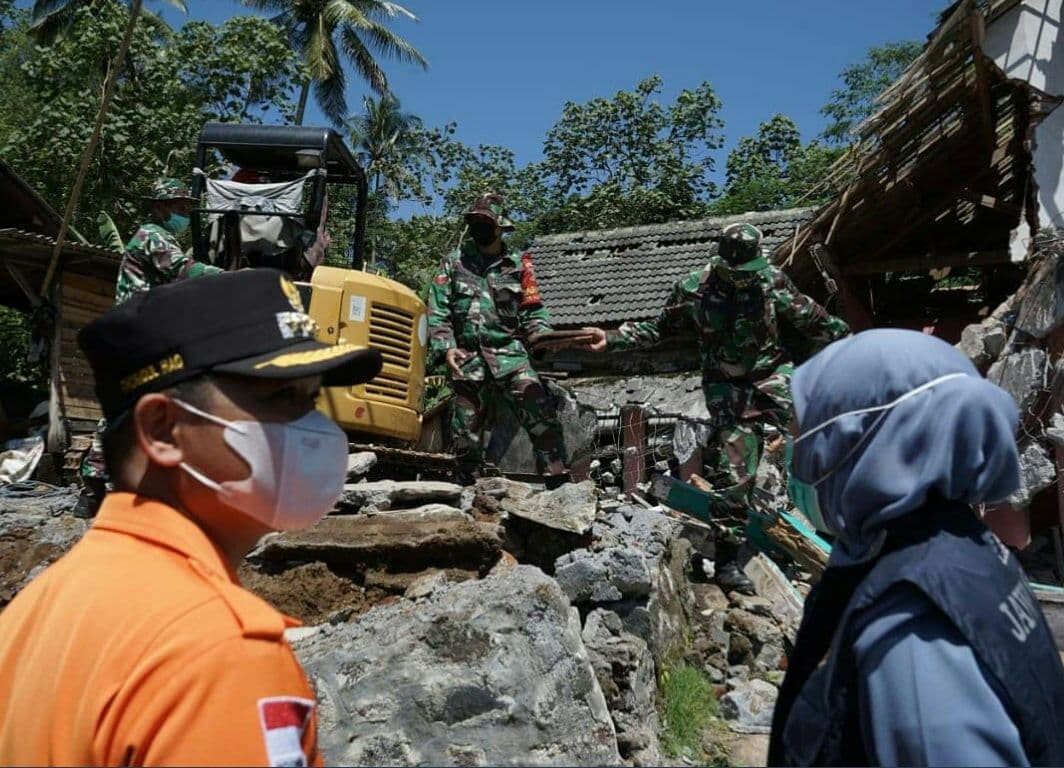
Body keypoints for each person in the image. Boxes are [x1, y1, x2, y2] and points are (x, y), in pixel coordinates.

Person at [0, 269, 382, 766]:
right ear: (162, 430)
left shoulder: (39, 609)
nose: (315, 430)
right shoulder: (224, 654)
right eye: (279, 397)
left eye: (311, 400)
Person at [770, 328, 1064, 767]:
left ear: (861, 446)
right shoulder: (964, 546)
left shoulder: (912, 629)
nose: (796, 461)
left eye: (807, 437)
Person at [587, 222, 848, 593]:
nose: (744, 279)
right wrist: (611, 338)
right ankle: (727, 563)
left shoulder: (772, 281)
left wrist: (861, 345)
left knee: (822, 433)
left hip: (772, 373)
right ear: (721, 262)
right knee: (737, 468)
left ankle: (844, 529)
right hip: (726, 385)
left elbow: (817, 321)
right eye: (737, 273)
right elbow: (658, 330)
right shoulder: (693, 288)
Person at [75, 177, 223, 519]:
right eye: (179, 207)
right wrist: (233, 276)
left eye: (187, 208)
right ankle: (101, 484)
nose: (185, 213)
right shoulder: (150, 237)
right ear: (160, 207)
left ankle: (100, 486)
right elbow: (182, 271)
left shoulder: (160, 237)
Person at [427, 193, 571, 488]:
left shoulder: (519, 266)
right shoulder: (454, 264)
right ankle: (467, 488)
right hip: (467, 356)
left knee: (539, 410)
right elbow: (437, 311)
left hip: (510, 355)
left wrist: (542, 335)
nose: (478, 227)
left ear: (500, 227)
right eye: (474, 221)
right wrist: (446, 347)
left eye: (485, 222)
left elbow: (534, 310)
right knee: (464, 431)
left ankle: (557, 481)